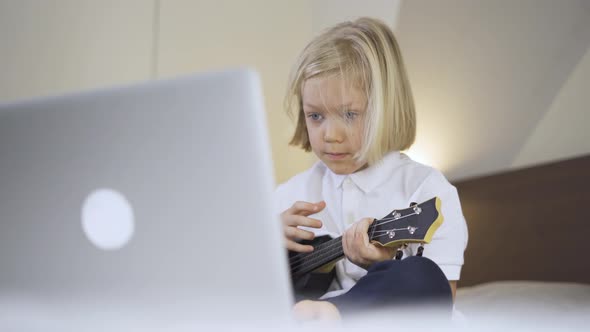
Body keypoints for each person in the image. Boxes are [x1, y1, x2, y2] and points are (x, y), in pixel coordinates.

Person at [274, 17, 468, 321]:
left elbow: (439, 298)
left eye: (350, 114)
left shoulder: (426, 189)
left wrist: (379, 266)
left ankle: (333, 315)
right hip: (297, 315)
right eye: (315, 116)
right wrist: (266, 242)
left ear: (385, 109)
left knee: (425, 276)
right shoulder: (288, 196)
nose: (330, 134)